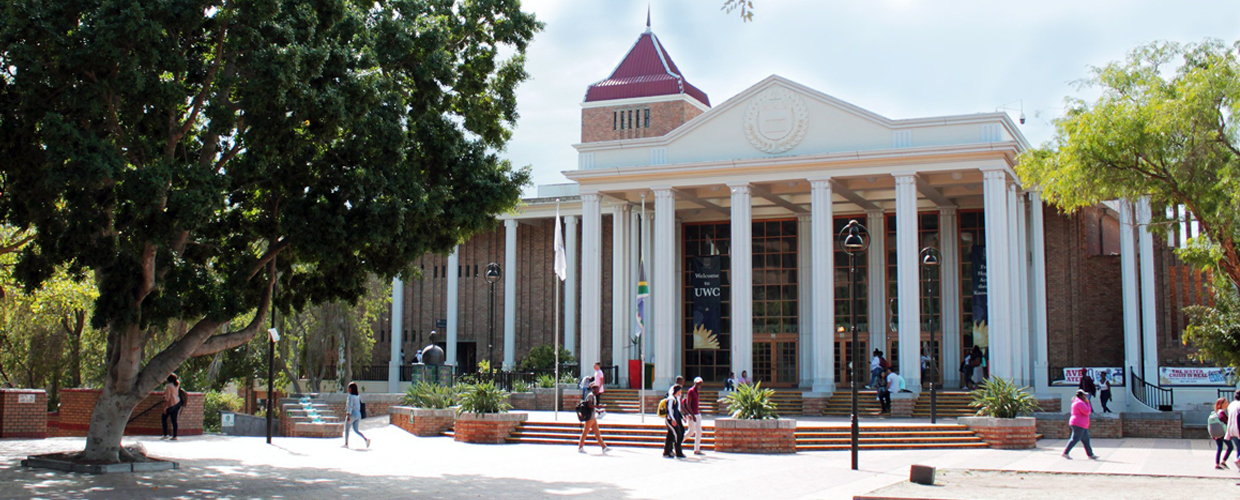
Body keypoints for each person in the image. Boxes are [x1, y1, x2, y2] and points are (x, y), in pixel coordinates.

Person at [1062, 389, 1098, 460]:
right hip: (1078, 423)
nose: (1086, 397)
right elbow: (1087, 412)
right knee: (1075, 439)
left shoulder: (1078, 402)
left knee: (1086, 439)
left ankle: (1090, 454)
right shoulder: (1080, 403)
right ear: (1081, 396)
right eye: (1084, 395)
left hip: (1082, 424)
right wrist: (1088, 403)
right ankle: (1065, 453)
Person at [578, 385, 609, 453]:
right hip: (589, 418)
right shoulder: (590, 396)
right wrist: (597, 406)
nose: (598, 391)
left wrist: (598, 410)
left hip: (593, 417)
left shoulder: (593, 396)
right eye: (597, 389)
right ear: (593, 389)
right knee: (585, 432)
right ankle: (580, 447)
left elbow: (592, 407)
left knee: (597, 433)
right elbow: (589, 405)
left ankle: (604, 447)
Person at [682, 377, 705, 456]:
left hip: (697, 414)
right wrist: (691, 415)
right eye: (698, 383)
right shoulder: (691, 391)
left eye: (700, 383)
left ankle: (697, 449)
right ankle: (678, 442)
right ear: (695, 383)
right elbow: (688, 404)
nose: (699, 385)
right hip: (693, 415)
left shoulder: (696, 392)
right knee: (691, 432)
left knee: (699, 432)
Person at [663, 384, 686, 458]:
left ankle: (667, 451)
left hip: (674, 420)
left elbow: (677, 411)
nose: (680, 392)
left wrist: (682, 417)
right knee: (677, 435)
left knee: (671, 435)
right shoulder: (671, 398)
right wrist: (673, 419)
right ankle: (678, 452)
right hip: (670, 420)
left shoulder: (676, 398)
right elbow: (670, 410)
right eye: (680, 390)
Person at [345, 382, 371, 449]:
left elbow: (350, 406)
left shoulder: (350, 396)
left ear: (351, 389)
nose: (348, 389)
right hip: (358, 414)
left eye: (349, 388)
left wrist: (348, 415)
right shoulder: (358, 396)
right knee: (356, 430)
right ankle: (366, 439)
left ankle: (346, 443)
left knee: (347, 428)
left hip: (352, 413)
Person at [1210, 397, 1232, 469]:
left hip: (1217, 433)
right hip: (1223, 433)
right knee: (1230, 447)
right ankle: (1223, 461)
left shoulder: (1215, 413)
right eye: (1226, 402)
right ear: (1221, 404)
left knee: (1219, 448)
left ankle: (1217, 463)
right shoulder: (1222, 413)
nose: (1227, 404)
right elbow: (1225, 422)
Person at [160, 374, 183, 441]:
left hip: (171, 404)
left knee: (163, 418)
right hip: (177, 403)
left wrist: (165, 407)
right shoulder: (177, 383)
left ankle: (165, 434)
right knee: (174, 420)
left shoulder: (168, 386)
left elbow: (168, 397)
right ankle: (175, 435)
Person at [1226, 390, 1240, 469]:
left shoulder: (1231, 405)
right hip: (1238, 429)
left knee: (1238, 448)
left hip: (1232, 430)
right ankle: (1239, 460)